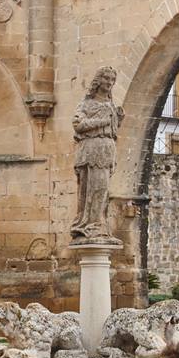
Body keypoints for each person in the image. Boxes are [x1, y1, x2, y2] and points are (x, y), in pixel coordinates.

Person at [70, 66, 124, 244]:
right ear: (98, 80)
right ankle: (90, 224)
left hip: (107, 148)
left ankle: (99, 223)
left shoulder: (110, 105)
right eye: (106, 78)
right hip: (92, 148)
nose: (109, 83)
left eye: (112, 80)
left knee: (104, 189)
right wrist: (102, 121)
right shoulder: (86, 104)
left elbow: (113, 130)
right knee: (93, 188)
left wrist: (118, 119)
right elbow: (78, 125)